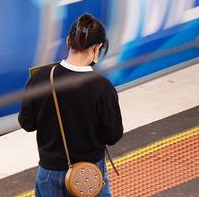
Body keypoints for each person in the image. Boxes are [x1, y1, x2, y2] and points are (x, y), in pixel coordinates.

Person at [19, 13, 124, 197]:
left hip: (49, 173)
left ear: (68, 41)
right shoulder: (102, 87)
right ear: (98, 47)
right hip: (87, 177)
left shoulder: (41, 78)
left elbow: (27, 124)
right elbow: (112, 135)